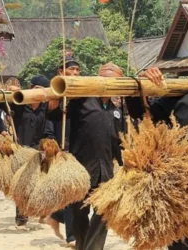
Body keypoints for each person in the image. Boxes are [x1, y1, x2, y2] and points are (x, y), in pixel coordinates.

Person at [126, 51, 188, 250]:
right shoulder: (175, 101)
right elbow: (141, 113)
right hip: (179, 190)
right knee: (181, 246)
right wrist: (142, 82)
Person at [67, 62, 123, 250]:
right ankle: (83, 246)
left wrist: (125, 163)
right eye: (104, 80)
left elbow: (119, 140)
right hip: (81, 170)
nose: (108, 85)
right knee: (80, 214)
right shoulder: (81, 101)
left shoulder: (117, 109)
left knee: (104, 214)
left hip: (106, 171)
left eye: (114, 82)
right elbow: (57, 114)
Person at [3, 75, 56, 228]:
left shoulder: (46, 109)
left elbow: (49, 129)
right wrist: (9, 92)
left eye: (42, 91)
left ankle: (40, 212)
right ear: (30, 89)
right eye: (36, 89)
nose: (38, 94)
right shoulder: (19, 105)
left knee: (38, 183)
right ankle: (21, 215)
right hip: (20, 151)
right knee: (22, 184)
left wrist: (49, 143)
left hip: (38, 152)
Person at [45, 55, 79, 247]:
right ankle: (71, 235)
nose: (74, 73)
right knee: (69, 192)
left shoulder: (82, 94)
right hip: (63, 150)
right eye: (70, 69)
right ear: (60, 72)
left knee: (79, 192)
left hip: (79, 147)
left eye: (77, 70)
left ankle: (55, 216)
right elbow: (49, 121)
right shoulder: (54, 95)